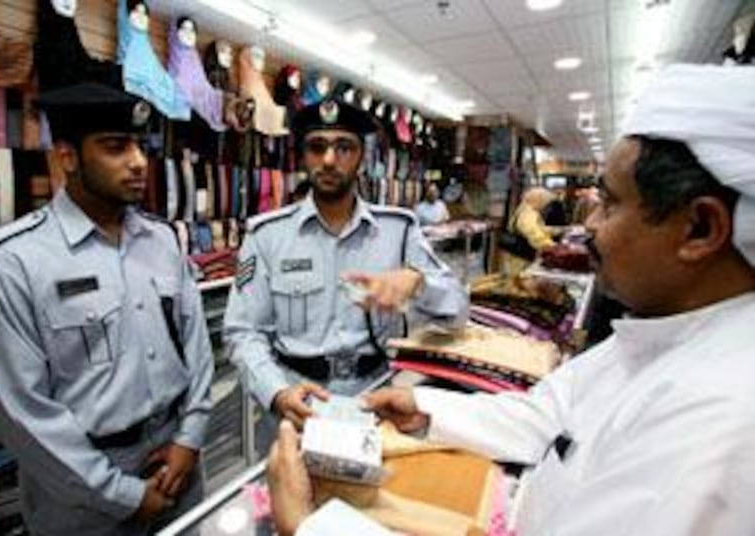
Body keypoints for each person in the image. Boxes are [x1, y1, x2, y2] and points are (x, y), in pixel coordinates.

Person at [266, 64, 755, 535]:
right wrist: (423, 408)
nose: (588, 227)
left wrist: (312, 527)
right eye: (316, 147)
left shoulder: (723, 422)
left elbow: (454, 306)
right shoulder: (659, 340)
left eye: (608, 203)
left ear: (699, 228)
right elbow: (547, 414)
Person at [0, 83, 214, 536]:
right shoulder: (10, 263)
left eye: (141, 145)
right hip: (81, 496)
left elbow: (196, 347)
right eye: (116, 147)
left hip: (179, 461)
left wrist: (189, 439)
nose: (138, 161)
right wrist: (121, 494)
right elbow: (23, 414)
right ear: (68, 157)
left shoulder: (160, 240)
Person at [223, 99, 468, 429]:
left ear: (361, 158)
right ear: (303, 156)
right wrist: (277, 392)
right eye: (317, 147)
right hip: (298, 402)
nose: (328, 160)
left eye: (344, 147)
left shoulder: (399, 230)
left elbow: (458, 310)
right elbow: (243, 331)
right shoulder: (267, 235)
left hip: (378, 400)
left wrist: (418, 283)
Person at [502, 186, 559, 275]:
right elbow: (533, 233)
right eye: (545, 203)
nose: (546, 206)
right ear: (539, 200)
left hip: (519, 256)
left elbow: (538, 228)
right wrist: (552, 246)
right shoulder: (528, 214)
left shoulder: (526, 209)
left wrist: (558, 230)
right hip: (522, 258)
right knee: (520, 280)